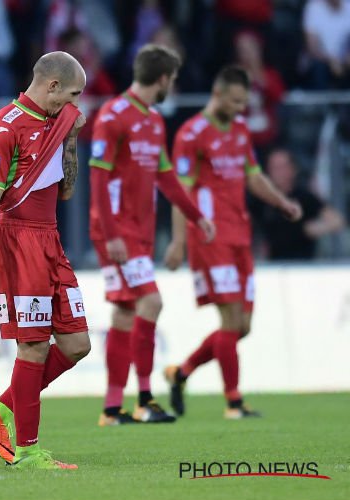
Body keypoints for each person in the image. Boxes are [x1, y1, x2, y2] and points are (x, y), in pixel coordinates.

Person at [0, 51, 91, 470]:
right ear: (52, 85)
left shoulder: (58, 122)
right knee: (34, 345)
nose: (76, 103)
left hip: (49, 239)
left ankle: (0, 410)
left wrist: (71, 138)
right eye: (73, 93)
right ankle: (28, 451)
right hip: (17, 239)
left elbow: (68, 191)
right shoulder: (4, 127)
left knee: (77, 345)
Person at [163, 66, 303, 419]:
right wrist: (179, 240)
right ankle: (234, 402)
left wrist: (281, 201)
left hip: (240, 234)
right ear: (219, 93)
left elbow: (252, 176)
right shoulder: (192, 134)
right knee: (230, 319)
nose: (241, 109)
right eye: (236, 101)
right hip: (210, 237)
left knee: (242, 326)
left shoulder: (240, 129)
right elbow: (182, 190)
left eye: (245, 102)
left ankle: (181, 372)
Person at [88, 44, 215, 427]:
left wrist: (195, 216)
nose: (171, 87)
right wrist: (111, 235)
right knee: (151, 302)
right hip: (117, 231)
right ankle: (144, 399)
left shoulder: (154, 121)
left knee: (126, 312)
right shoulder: (113, 115)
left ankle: (112, 409)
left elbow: (164, 176)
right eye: (172, 80)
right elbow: (97, 176)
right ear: (162, 78)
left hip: (137, 232)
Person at [253, 148, 345, 260]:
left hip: (302, 264)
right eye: (274, 168)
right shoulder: (262, 199)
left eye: (282, 167)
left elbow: (337, 220)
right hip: (273, 265)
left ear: (293, 169)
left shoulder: (304, 197)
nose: (278, 172)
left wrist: (314, 228)